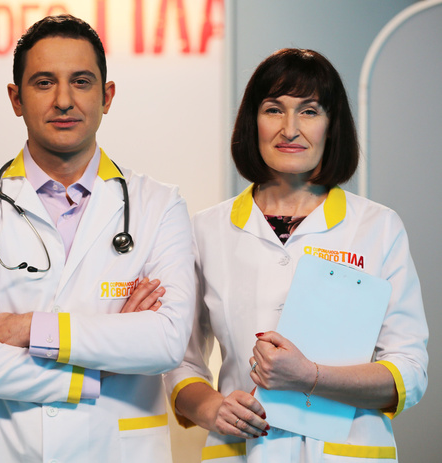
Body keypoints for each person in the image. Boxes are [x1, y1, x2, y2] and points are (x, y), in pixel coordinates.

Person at [0, 14, 195, 463]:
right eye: (44, 83)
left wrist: (26, 329)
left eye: (81, 82)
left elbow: (166, 342)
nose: (64, 100)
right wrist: (101, 365)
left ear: (107, 96)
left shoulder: (160, 205)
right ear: (16, 99)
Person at [164, 48, 428, 462]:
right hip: (242, 450)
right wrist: (212, 408)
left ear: (331, 125)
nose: (290, 129)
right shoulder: (205, 230)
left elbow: (409, 371)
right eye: (274, 109)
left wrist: (311, 377)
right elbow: (179, 360)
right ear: (252, 122)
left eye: (309, 111)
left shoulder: (377, 227)